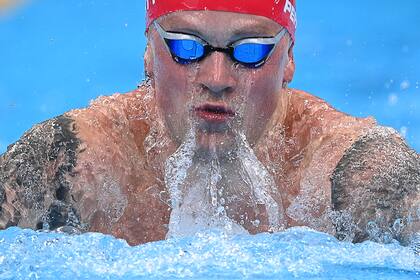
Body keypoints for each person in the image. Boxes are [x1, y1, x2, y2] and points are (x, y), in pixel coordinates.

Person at [0, 0, 419, 246]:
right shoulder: (78, 164)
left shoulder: (345, 170)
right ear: (148, 52)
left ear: (289, 60)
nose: (216, 79)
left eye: (250, 51)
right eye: (185, 46)